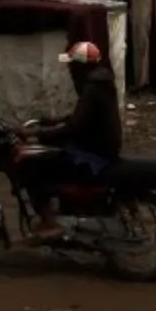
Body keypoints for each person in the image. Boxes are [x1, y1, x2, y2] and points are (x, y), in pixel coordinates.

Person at [19, 40, 121, 242]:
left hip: (92, 154)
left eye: (71, 64)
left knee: (31, 166)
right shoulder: (101, 83)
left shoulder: (93, 88)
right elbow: (82, 119)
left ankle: (49, 221)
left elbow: (74, 128)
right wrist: (52, 122)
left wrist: (38, 134)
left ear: (81, 67)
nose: (69, 68)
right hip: (100, 147)